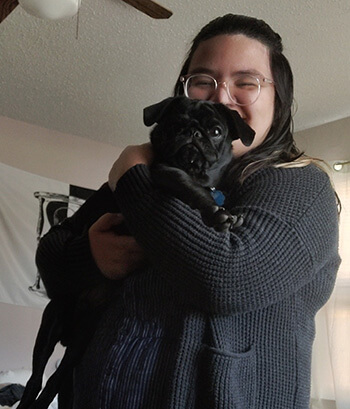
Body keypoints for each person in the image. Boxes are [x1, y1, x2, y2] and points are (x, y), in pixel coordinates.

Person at [36, 14, 341, 409]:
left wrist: (134, 177)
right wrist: (92, 257)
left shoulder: (300, 186)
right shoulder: (153, 172)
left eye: (246, 82)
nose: (220, 98)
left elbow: (229, 280)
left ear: (278, 98)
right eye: (203, 81)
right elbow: (50, 253)